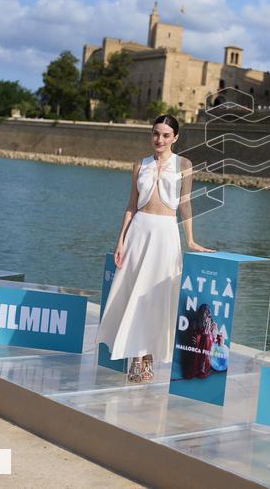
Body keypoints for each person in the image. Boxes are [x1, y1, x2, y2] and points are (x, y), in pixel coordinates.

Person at [96, 115, 212, 383]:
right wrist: (120, 241)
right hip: (139, 232)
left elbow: (185, 205)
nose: (159, 139)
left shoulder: (184, 165)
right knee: (134, 293)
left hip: (166, 234)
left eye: (166, 135)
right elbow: (131, 206)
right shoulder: (140, 164)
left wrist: (191, 240)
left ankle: (149, 355)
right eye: (155, 134)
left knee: (157, 296)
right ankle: (135, 356)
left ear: (175, 138)